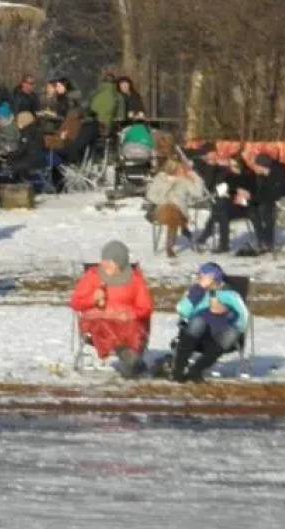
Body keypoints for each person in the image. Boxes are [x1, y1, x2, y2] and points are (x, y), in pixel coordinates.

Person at [69, 240, 153, 377]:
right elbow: (76, 303)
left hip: (126, 323)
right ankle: (128, 357)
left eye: (110, 261)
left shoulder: (135, 280)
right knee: (102, 323)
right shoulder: (92, 276)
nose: (105, 264)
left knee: (130, 327)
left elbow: (146, 307)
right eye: (104, 260)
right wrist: (93, 299)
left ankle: (129, 357)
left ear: (120, 263)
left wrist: (131, 314)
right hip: (99, 323)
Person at [171, 263, 250, 383]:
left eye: (203, 275)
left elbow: (243, 317)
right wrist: (198, 290)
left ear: (214, 277)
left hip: (220, 334)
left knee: (232, 332)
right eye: (199, 275)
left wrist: (227, 313)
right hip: (197, 335)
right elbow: (182, 310)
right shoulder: (196, 292)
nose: (199, 278)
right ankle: (178, 371)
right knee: (199, 321)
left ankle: (196, 370)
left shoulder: (230, 295)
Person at [146, 160, 208, 259]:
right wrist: (164, 198)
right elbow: (150, 195)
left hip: (180, 212)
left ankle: (170, 246)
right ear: (172, 169)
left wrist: (194, 175)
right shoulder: (160, 179)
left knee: (173, 213)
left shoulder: (185, 180)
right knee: (170, 209)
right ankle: (183, 229)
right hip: (162, 210)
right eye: (180, 168)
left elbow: (198, 193)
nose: (183, 170)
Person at [195, 154, 255, 254]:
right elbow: (223, 188)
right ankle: (222, 245)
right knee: (221, 210)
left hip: (244, 207)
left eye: (235, 166)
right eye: (230, 166)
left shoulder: (248, 176)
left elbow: (251, 193)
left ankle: (206, 239)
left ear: (241, 165)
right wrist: (225, 193)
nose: (232, 168)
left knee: (219, 211)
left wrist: (242, 193)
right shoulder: (229, 176)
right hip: (229, 206)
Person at [247, 152, 285, 253]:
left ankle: (267, 242)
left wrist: (252, 197)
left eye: (255, 165)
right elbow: (263, 194)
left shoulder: (279, 175)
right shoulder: (263, 175)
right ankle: (263, 241)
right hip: (276, 203)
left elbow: (272, 195)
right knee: (252, 210)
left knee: (265, 210)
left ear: (262, 166)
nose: (254, 167)